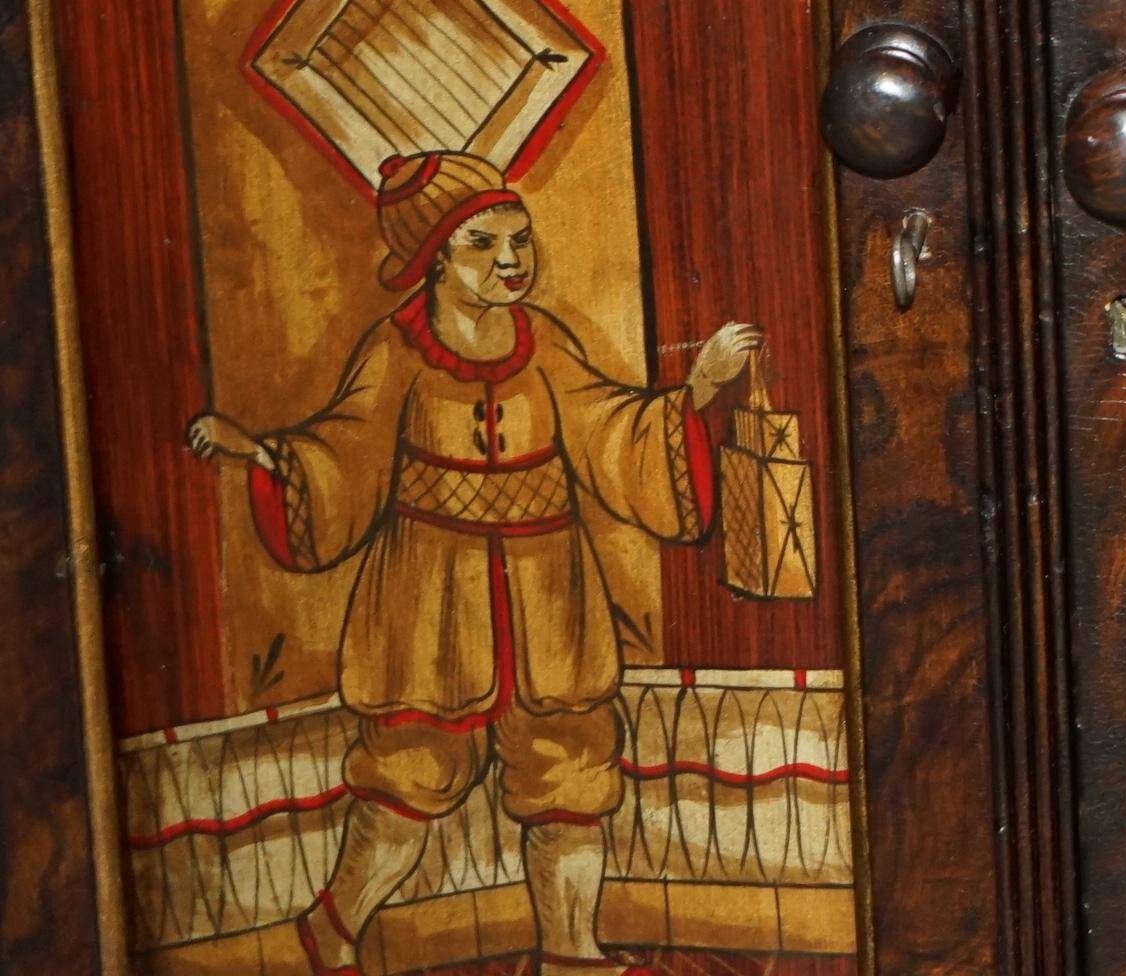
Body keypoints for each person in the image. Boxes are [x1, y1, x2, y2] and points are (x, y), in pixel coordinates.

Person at [186, 149, 762, 976]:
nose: (511, 261)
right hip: (427, 604)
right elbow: (345, 452)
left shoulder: (546, 344)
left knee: (570, 776)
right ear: (435, 261)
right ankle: (334, 924)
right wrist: (272, 459)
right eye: (483, 245)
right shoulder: (396, 353)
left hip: (551, 602)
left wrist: (697, 391)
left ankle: (568, 953)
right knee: (407, 780)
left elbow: (610, 431)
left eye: (519, 240)